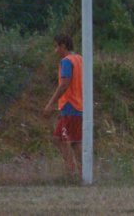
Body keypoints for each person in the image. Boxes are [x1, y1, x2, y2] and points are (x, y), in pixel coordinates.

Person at [44, 34, 82, 180]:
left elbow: (64, 84)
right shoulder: (80, 59)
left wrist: (51, 103)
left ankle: (74, 172)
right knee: (64, 139)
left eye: (56, 47)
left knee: (68, 141)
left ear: (63, 47)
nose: (55, 51)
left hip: (70, 105)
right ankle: (76, 171)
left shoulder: (66, 61)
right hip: (77, 105)